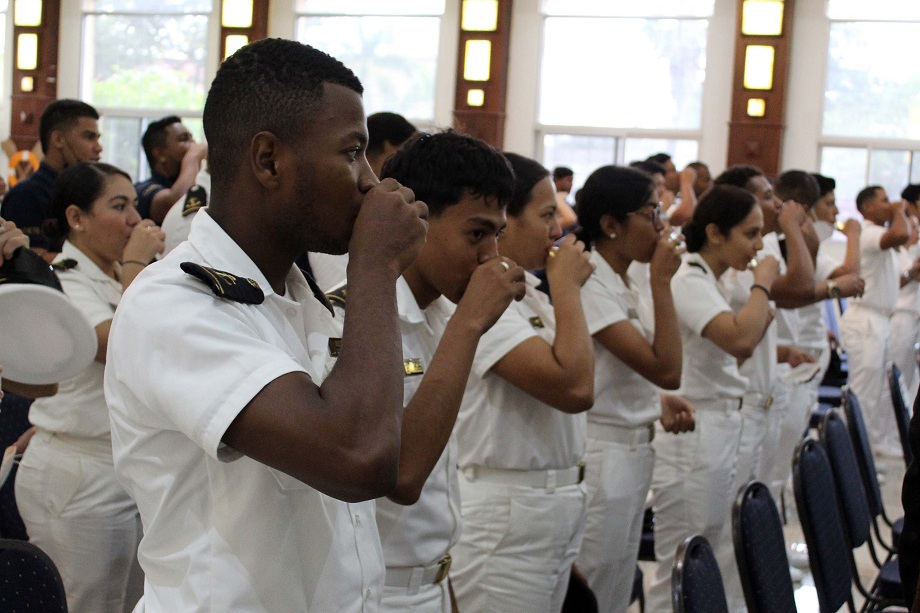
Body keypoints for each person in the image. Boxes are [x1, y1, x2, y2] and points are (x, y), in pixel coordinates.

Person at [104, 38, 428, 611]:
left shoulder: (301, 295)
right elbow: (360, 457)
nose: (370, 183)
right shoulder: (174, 304)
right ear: (269, 160)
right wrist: (375, 264)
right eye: (352, 152)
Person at [338, 130, 523, 613]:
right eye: (476, 234)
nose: (492, 257)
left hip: (434, 580)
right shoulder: (356, 315)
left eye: (498, 234)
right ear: (418, 217)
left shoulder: (442, 314)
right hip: (374, 590)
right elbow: (402, 477)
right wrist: (471, 323)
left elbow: (437, 492)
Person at [14, 162, 164, 612]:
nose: (134, 220)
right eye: (119, 207)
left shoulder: (115, 275)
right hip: (81, 473)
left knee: (130, 601)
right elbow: (125, 347)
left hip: (124, 467)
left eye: (134, 205)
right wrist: (137, 262)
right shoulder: (64, 277)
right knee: (88, 604)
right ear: (77, 218)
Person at [450, 152, 596, 612]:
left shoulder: (526, 290)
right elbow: (573, 388)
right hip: (507, 514)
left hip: (548, 507)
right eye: (546, 215)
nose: (558, 230)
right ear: (503, 222)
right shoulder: (483, 296)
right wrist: (567, 288)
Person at [646, 185, 779, 613]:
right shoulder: (688, 279)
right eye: (750, 234)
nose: (758, 246)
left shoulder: (712, 281)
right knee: (682, 561)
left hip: (719, 426)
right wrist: (762, 287)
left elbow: (731, 355)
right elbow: (739, 340)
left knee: (713, 550)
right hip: (694, 433)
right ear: (716, 233)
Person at [571, 165, 692, 612]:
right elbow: (666, 366)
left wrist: (654, 401)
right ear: (610, 224)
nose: (661, 226)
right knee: (598, 577)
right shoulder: (591, 281)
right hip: (603, 453)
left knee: (620, 579)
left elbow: (634, 370)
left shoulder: (621, 277)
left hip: (632, 450)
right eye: (651, 213)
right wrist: (662, 280)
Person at [310, 111, 418, 292]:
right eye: (352, 154)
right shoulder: (339, 221)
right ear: (390, 149)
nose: (371, 181)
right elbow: (342, 308)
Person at [839, 185, 909, 458]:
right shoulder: (869, 233)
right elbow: (901, 233)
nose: (889, 203)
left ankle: (862, 454)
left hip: (879, 319)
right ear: (867, 207)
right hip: (865, 319)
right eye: (883, 200)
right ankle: (849, 459)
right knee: (862, 394)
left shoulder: (881, 239)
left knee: (875, 393)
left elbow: (894, 282)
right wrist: (900, 210)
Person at [1, 99, 102, 262]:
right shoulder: (26, 196)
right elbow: (30, 259)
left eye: (98, 138)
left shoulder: (88, 193)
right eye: (89, 137)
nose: (98, 147)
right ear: (58, 140)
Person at [134, 116, 208, 224]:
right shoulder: (143, 191)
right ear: (160, 154)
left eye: (192, 138)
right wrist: (192, 157)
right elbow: (181, 205)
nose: (193, 145)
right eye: (184, 139)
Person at [891, 184, 920, 405]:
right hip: (900, 317)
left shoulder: (913, 251)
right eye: (913, 228)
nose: (916, 232)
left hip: (914, 317)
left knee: (910, 378)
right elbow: (895, 283)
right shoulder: (894, 254)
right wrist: (912, 272)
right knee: (898, 375)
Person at [553, 165, 578, 230]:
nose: (571, 184)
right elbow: (570, 219)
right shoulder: (549, 201)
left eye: (572, 181)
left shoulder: (566, 202)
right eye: (568, 180)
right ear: (556, 180)